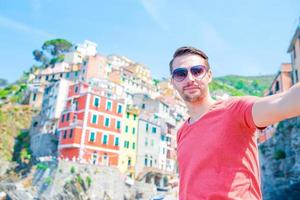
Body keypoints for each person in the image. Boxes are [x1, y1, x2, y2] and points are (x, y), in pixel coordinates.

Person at [169, 46, 300, 200]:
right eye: (180, 74)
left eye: (197, 71)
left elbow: (284, 102)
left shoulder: (235, 110)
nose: (190, 78)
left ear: (209, 75)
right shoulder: (181, 132)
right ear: (173, 82)